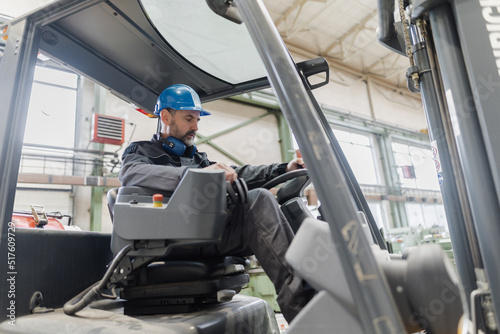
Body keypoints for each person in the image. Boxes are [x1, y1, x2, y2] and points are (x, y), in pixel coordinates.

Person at [119, 84, 315, 323]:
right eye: (189, 118)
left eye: (197, 120)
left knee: (270, 202)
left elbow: (238, 173)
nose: (195, 127)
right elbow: (132, 174)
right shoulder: (141, 152)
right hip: (170, 239)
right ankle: (307, 317)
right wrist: (196, 177)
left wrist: (284, 168)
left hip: (204, 233)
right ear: (166, 116)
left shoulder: (195, 157)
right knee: (260, 199)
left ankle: (317, 294)